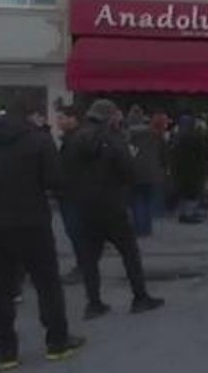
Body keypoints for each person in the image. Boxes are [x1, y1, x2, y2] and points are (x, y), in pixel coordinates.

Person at [0, 101, 84, 370]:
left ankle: (6, 351)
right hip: (31, 221)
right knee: (46, 282)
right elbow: (55, 180)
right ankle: (57, 341)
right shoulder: (37, 140)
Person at [65, 99, 165, 319]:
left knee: (90, 258)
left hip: (85, 206)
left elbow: (65, 172)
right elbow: (128, 170)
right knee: (129, 252)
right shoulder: (112, 138)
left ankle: (94, 303)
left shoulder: (75, 139)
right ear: (109, 116)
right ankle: (140, 298)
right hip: (111, 203)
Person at [54, 106, 85, 284]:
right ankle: (83, 265)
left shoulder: (75, 140)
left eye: (62, 118)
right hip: (70, 193)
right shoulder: (71, 139)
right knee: (75, 231)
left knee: (77, 231)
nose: (59, 122)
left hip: (73, 193)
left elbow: (71, 168)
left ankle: (84, 266)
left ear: (73, 119)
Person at [127, 109, 166, 237]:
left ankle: (139, 228)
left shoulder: (130, 135)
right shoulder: (155, 134)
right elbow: (162, 153)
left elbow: (129, 153)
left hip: (136, 171)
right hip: (153, 171)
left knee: (137, 200)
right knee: (147, 200)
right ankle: (147, 228)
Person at [172, 116, 207, 224]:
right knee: (192, 191)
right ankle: (189, 213)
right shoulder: (195, 137)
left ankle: (184, 213)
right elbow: (201, 154)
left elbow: (174, 154)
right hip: (193, 168)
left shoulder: (177, 137)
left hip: (181, 169)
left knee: (184, 191)